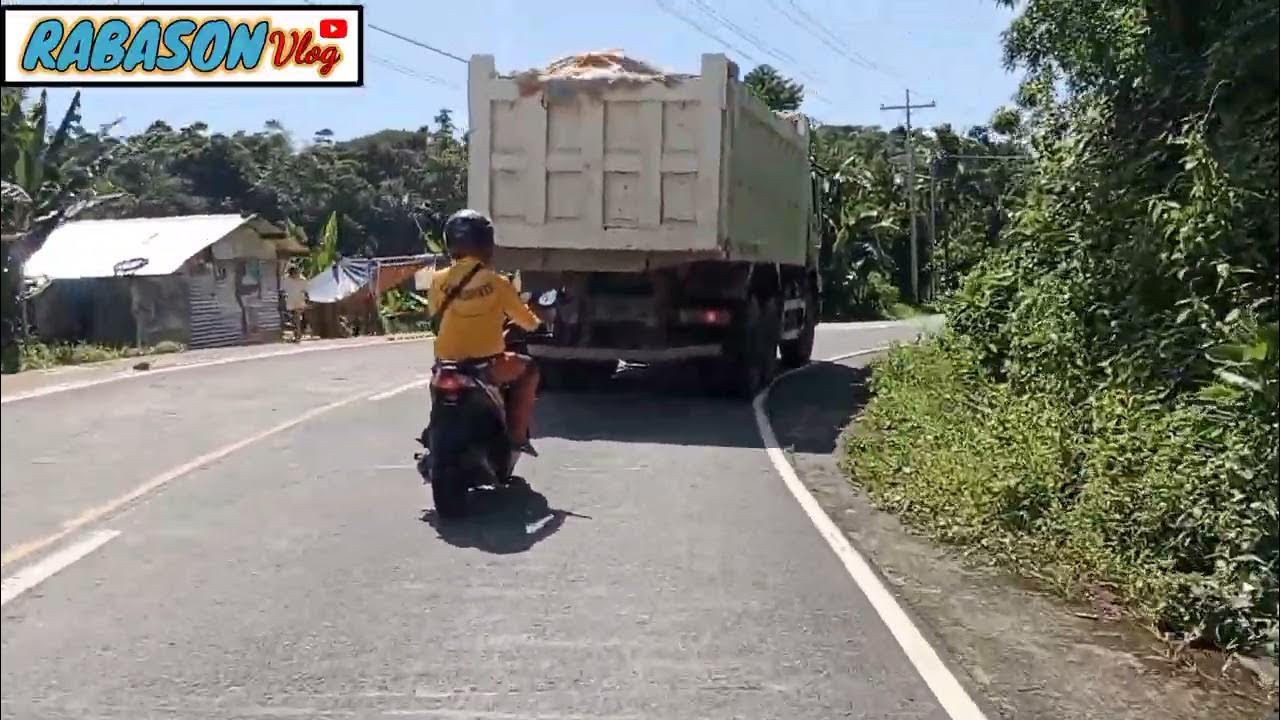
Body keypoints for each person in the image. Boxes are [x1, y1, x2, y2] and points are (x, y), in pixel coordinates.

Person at [429, 209, 543, 456]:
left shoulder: (437, 280)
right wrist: (538, 325)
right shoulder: (497, 283)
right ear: (486, 244)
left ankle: (433, 431)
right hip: (486, 365)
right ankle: (516, 436)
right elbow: (526, 321)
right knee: (529, 369)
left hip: (447, 362)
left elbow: (434, 314)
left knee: (437, 386)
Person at [281, 265, 309, 343]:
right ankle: (297, 333)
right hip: (291, 301)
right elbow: (283, 290)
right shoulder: (287, 280)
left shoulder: (302, 280)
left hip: (299, 301)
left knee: (297, 318)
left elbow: (306, 290)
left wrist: (307, 300)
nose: (295, 274)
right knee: (295, 319)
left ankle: (298, 334)